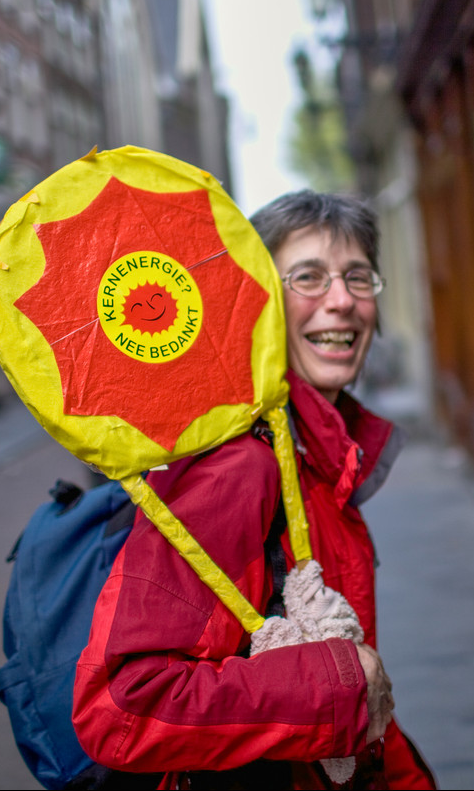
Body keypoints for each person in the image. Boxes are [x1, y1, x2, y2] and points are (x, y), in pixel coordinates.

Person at [72, 189, 437, 789]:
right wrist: (336, 690)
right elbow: (121, 705)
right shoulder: (240, 466)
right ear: (257, 302)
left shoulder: (322, 455)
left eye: (358, 277)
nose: (341, 300)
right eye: (309, 278)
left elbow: (357, 696)